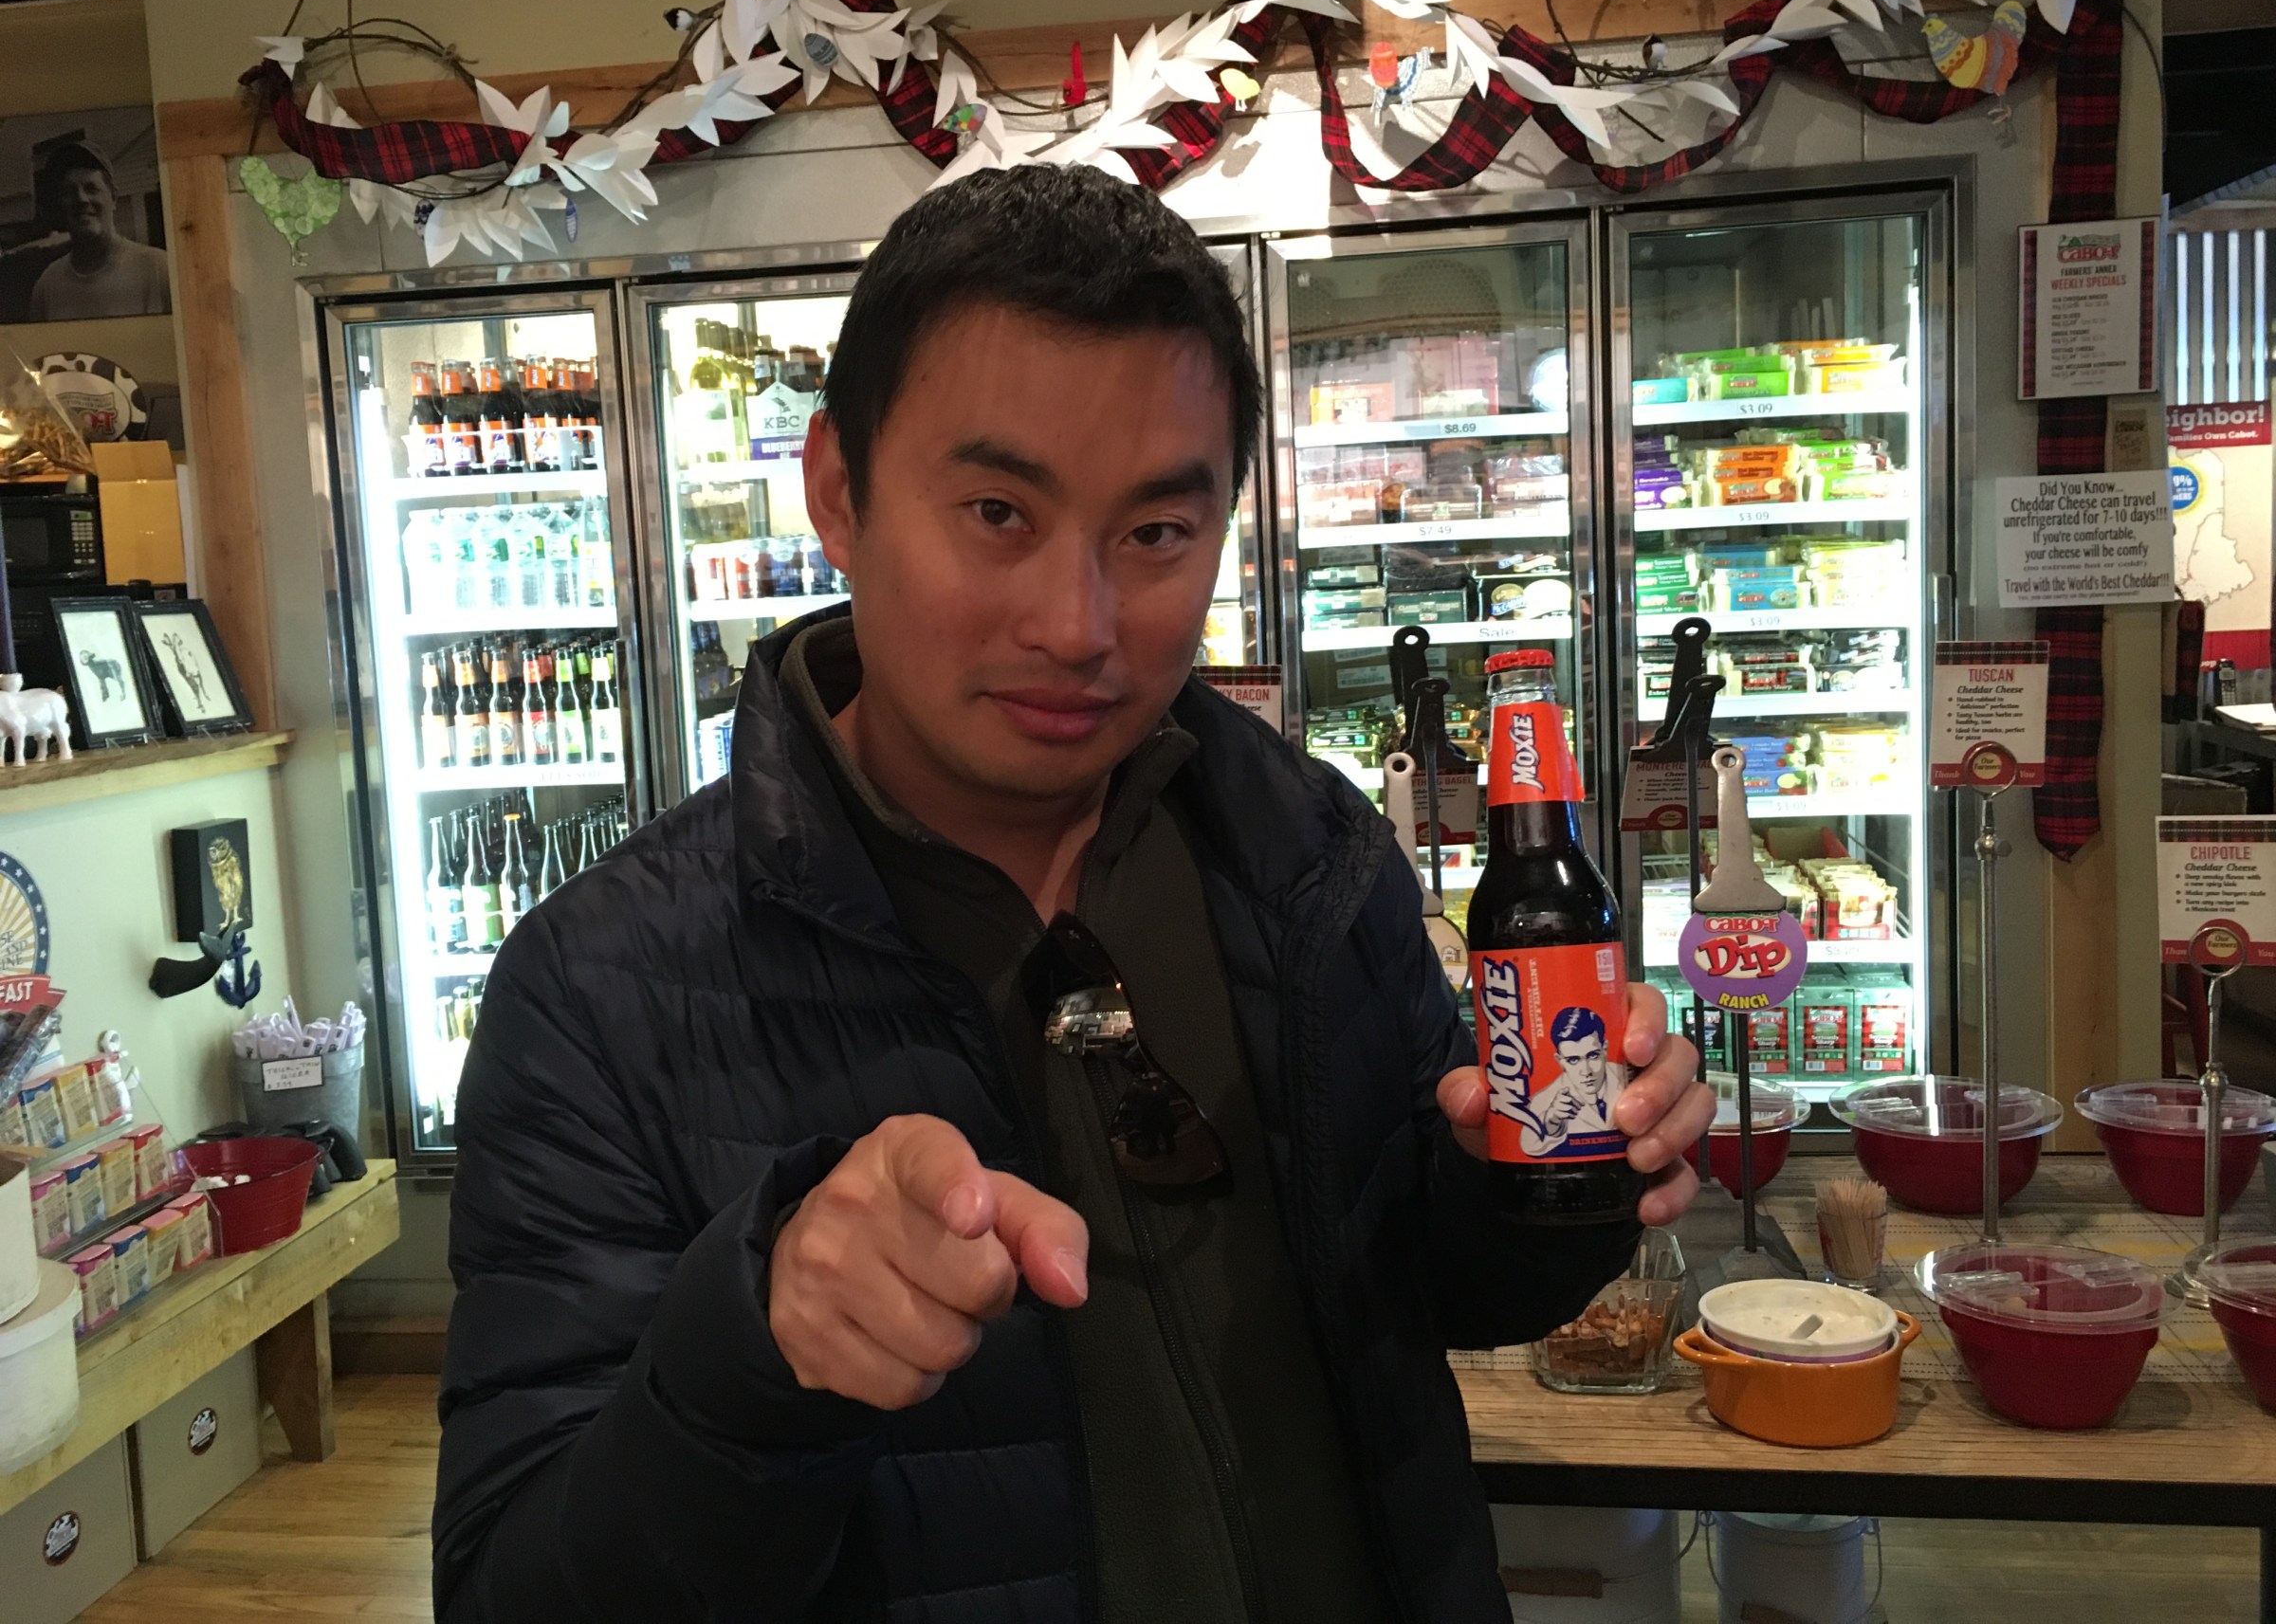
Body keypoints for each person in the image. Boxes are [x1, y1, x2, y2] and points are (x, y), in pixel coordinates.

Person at [433, 163, 1714, 1624]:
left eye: (1156, 535)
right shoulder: (600, 992)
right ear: (838, 494)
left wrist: (1537, 1183)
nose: (1078, 625)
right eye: (996, 512)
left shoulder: (1304, 851)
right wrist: (754, 1352)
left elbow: (1420, 1295)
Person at [25, 142, 171, 321]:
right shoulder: (47, 286)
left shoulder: (159, 270)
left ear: (114, 198)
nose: (81, 199)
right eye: (69, 192)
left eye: (91, 189)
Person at [1512, 1005, 1621, 1158]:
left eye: (1593, 1055)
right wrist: (1553, 1121)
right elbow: (1529, 1145)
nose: (1586, 1070)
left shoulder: (1628, 1076)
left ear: (1605, 1049)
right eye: (1573, 1060)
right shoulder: (1545, 1101)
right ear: (1560, 1060)